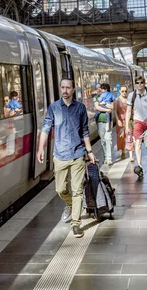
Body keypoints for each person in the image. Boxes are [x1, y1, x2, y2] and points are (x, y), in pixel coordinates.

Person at [37, 78, 95, 238]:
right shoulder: (54, 108)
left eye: (68, 88)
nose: (65, 90)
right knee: (60, 189)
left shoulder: (81, 108)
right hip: (60, 155)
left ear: (73, 89)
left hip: (77, 154)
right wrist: (40, 147)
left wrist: (89, 152)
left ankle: (76, 224)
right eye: (62, 87)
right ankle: (69, 205)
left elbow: (85, 132)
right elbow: (46, 128)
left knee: (77, 190)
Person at [125, 76, 147, 179]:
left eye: (141, 82)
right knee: (137, 143)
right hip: (137, 121)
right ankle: (140, 165)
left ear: (144, 83)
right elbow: (128, 110)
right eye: (137, 83)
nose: (139, 85)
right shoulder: (131, 95)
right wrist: (127, 125)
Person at [94, 83, 114, 165]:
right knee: (103, 140)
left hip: (108, 121)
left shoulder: (109, 96)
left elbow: (112, 107)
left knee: (108, 139)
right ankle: (105, 156)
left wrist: (105, 104)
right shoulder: (96, 98)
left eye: (100, 88)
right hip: (100, 121)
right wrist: (107, 109)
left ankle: (109, 158)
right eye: (98, 88)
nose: (99, 89)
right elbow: (97, 107)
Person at [115, 86, 133, 161]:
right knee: (121, 137)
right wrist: (117, 120)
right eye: (122, 91)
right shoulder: (117, 100)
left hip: (128, 120)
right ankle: (123, 151)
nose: (124, 93)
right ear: (119, 91)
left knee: (129, 137)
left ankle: (131, 154)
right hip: (121, 121)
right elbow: (115, 111)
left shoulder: (129, 100)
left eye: (125, 91)